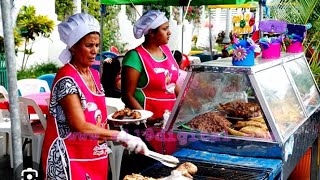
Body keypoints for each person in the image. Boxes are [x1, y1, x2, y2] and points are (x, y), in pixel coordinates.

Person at [41, 13, 149, 180]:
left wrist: (119, 125)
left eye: (97, 45)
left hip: (94, 155)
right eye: (88, 45)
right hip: (69, 159)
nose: (95, 51)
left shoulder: (94, 74)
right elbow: (80, 125)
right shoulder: (67, 79)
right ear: (73, 47)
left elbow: (94, 117)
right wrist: (119, 135)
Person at [121, 10, 180, 124]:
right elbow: (127, 95)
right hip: (145, 122)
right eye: (165, 29)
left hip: (168, 118)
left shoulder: (166, 51)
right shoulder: (135, 57)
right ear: (151, 33)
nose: (169, 32)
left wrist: (187, 102)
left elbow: (173, 83)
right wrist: (147, 119)